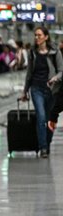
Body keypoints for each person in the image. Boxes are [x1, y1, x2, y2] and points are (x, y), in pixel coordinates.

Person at [20, 26, 63, 158]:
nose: (36, 38)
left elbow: (61, 71)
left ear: (46, 37)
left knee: (50, 118)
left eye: (39, 35)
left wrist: (55, 78)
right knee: (41, 117)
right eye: (35, 35)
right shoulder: (32, 52)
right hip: (36, 88)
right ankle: (43, 147)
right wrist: (25, 90)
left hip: (51, 89)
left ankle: (47, 143)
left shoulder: (55, 52)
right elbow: (29, 73)